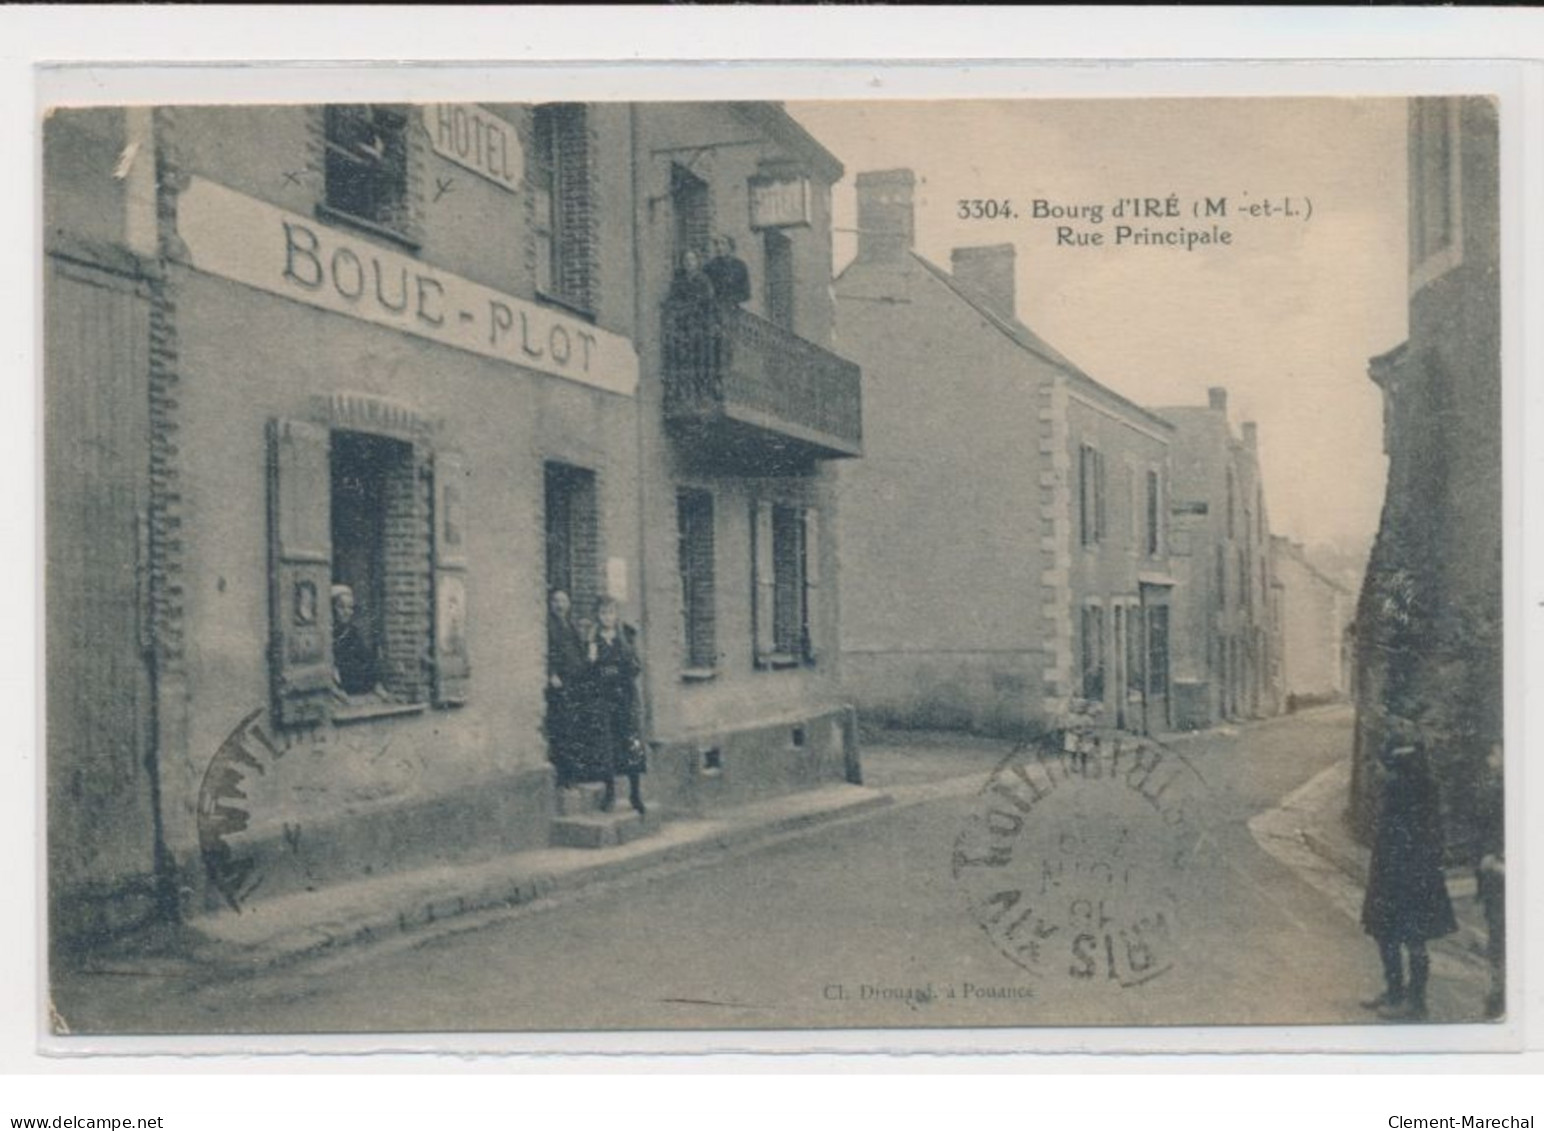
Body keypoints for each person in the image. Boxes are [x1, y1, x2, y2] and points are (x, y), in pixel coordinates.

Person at [1360, 729, 1457, 1021]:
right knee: (1390, 933)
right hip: (1403, 871)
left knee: (1407, 936)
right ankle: (1397, 992)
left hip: (1406, 873)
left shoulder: (1405, 786)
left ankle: (1414, 1002)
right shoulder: (1417, 782)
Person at [572, 596, 647, 815]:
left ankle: (635, 794)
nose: (607, 617)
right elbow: (590, 670)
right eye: (603, 613)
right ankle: (610, 793)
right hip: (604, 700)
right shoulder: (593, 639)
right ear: (598, 615)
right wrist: (594, 662)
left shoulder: (626, 636)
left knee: (632, 745)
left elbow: (634, 667)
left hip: (625, 698)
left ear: (616, 615)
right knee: (608, 746)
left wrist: (613, 672)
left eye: (611, 612)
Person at [1474, 743, 1505, 1020]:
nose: (1489, 758)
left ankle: (1499, 997)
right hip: (1493, 877)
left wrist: (1495, 857)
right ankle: (1496, 994)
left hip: (1502, 874)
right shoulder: (1496, 786)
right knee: (1496, 934)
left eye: (1494, 753)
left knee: (1500, 937)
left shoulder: (1506, 791)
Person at [545, 589, 587, 789]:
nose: (559, 605)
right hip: (560, 683)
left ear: (569, 604)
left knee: (576, 725)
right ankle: (565, 775)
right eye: (555, 601)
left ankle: (575, 772)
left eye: (563, 601)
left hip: (575, 682)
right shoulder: (549, 626)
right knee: (563, 727)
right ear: (550, 604)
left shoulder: (570, 625)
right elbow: (547, 651)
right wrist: (552, 673)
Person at [331, 584, 378, 698]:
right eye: (341, 607)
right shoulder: (327, 635)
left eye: (350, 607)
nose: (347, 612)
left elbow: (367, 661)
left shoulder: (352, 633)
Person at [703, 234, 751, 307]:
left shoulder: (740, 266)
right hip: (714, 308)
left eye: (723, 243)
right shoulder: (709, 266)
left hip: (733, 307)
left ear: (731, 247)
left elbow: (746, 293)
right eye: (716, 244)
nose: (719, 247)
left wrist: (733, 300)